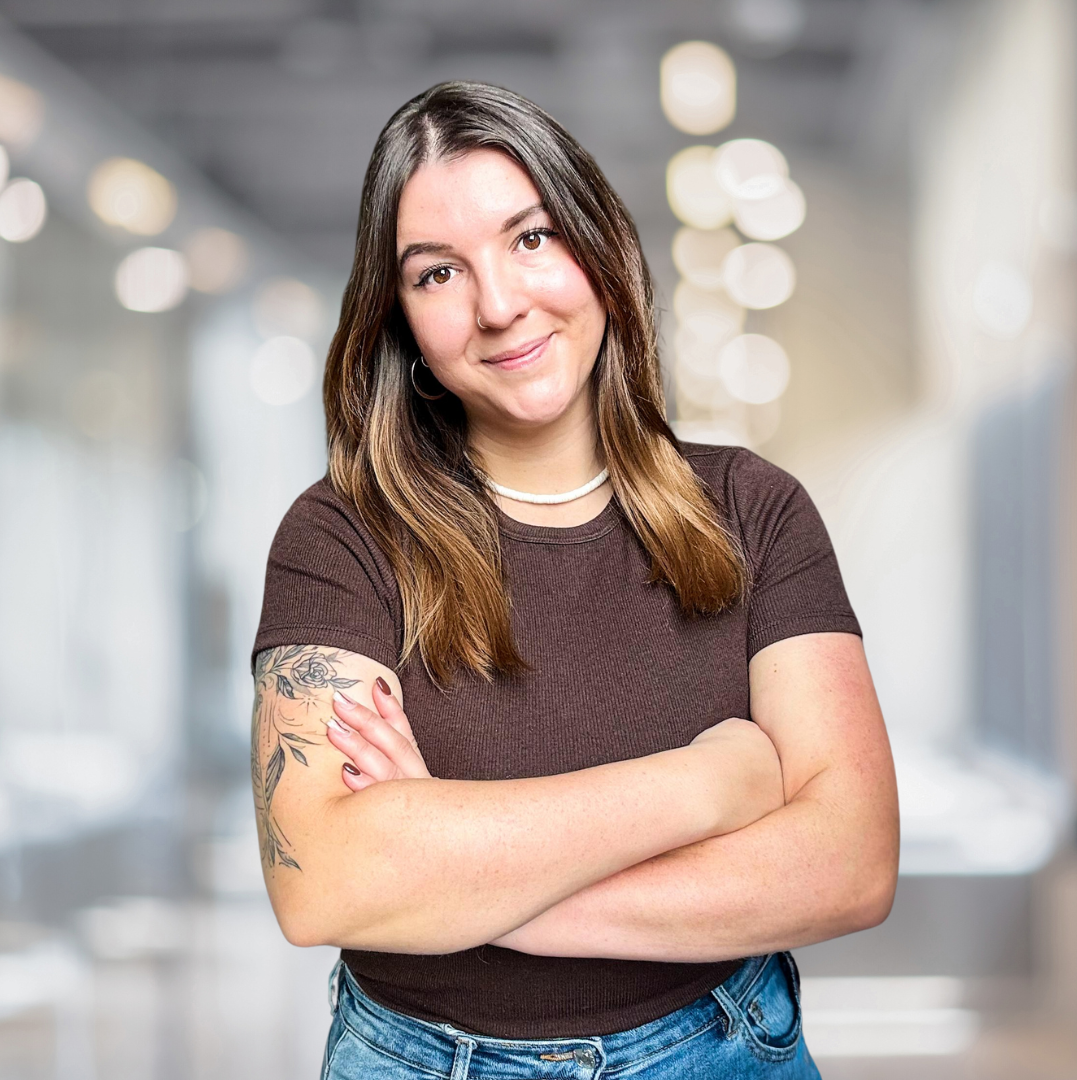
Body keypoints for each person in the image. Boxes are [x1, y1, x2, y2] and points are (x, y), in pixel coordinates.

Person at [250, 81, 899, 1079]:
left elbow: (849, 864)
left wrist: (460, 880)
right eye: (436, 274)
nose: (500, 304)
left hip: (721, 1049)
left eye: (531, 238)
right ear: (399, 321)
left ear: (601, 246)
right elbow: (325, 885)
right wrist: (711, 782)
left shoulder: (756, 513)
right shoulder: (339, 539)